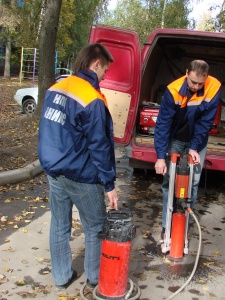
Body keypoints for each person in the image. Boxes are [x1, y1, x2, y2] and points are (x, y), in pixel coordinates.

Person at [38, 43, 118, 291]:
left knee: (60, 225)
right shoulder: (91, 98)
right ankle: (95, 278)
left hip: (54, 170)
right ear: (95, 64)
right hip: (81, 174)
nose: (104, 77)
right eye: (104, 71)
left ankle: (61, 277)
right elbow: (99, 146)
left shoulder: (57, 87)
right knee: (96, 226)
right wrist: (110, 184)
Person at [154, 60, 221, 236]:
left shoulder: (213, 87)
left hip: (197, 141)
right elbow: (163, 125)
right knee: (169, 182)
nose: (196, 87)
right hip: (176, 139)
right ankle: (166, 226)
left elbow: (205, 121)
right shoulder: (173, 90)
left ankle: (183, 228)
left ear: (206, 78)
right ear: (186, 73)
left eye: (200, 83)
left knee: (193, 182)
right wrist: (161, 156)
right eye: (193, 82)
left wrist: (194, 147)